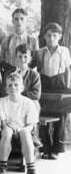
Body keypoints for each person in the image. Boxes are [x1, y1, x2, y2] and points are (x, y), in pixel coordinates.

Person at [35, 22, 71, 159]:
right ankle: (45, 147)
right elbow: (37, 70)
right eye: (49, 35)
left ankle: (56, 148)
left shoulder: (65, 51)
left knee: (61, 118)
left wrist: (67, 86)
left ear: (60, 37)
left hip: (60, 83)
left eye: (54, 36)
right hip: (45, 83)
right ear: (44, 36)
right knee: (42, 116)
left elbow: (67, 70)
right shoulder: (40, 52)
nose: (51, 38)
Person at [0, 73, 40, 174]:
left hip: (24, 130)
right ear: (6, 88)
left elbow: (31, 125)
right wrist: (9, 126)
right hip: (9, 129)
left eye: (16, 85)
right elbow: (3, 122)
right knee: (6, 131)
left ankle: (31, 170)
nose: (13, 88)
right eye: (9, 85)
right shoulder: (2, 101)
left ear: (22, 87)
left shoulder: (29, 103)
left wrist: (22, 129)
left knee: (25, 132)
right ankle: (2, 166)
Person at [0, 8, 39, 73]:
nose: (19, 21)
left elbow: (36, 59)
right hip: (11, 75)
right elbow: (2, 59)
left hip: (27, 74)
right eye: (16, 19)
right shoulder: (6, 40)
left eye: (22, 19)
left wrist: (24, 69)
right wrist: (11, 71)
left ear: (26, 21)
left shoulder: (33, 40)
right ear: (13, 21)